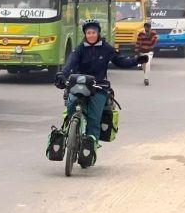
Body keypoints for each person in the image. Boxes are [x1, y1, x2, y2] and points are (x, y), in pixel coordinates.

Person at [55, 20, 148, 162]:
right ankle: (71, 132)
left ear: (98, 33)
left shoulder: (106, 49)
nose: (91, 35)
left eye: (93, 32)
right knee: (71, 105)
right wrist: (62, 74)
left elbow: (120, 61)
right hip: (79, 85)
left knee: (94, 117)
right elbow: (70, 63)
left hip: (99, 87)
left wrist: (136, 60)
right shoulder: (80, 49)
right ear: (85, 34)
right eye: (88, 33)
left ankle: (90, 146)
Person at [135, 21, 159, 87]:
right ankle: (146, 75)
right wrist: (136, 50)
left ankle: (146, 79)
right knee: (144, 67)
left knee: (148, 63)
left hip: (149, 52)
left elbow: (153, 43)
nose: (147, 29)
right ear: (144, 27)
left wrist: (152, 37)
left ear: (150, 28)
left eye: (148, 28)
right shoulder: (141, 34)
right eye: (146, 27)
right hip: (142, 52)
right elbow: (138, 42)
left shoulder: (153, 34)